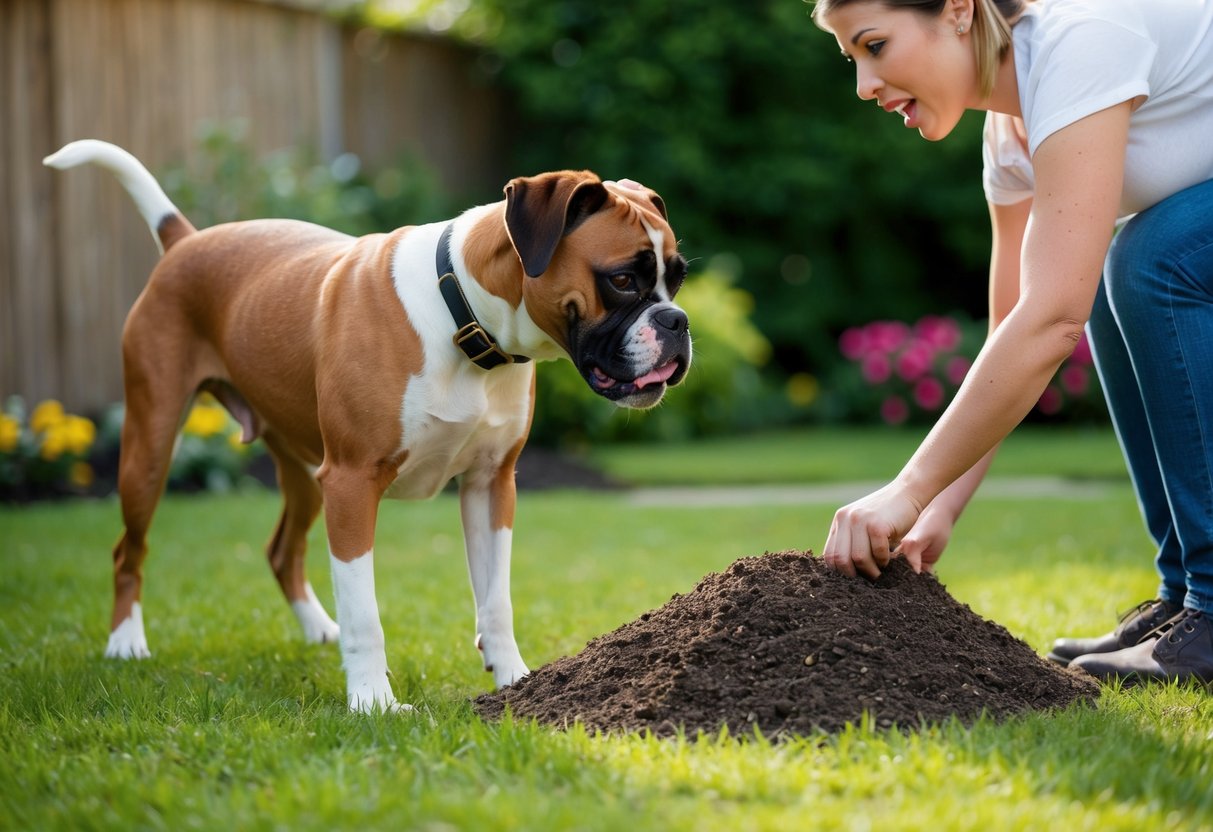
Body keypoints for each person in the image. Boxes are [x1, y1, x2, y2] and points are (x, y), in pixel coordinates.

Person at [811, 0, 1213, 685]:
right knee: (1109, 283)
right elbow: (1017, 328)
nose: (863, 86)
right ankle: (1186, 600)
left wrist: (906, 487)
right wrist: (934, 506)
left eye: (874, 45)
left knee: (1147, 258)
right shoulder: (1011, 133)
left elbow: (1048, 319)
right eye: (852, 59)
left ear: (958, 11)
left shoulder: (1079, 41)